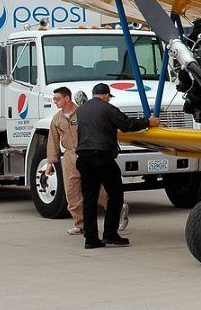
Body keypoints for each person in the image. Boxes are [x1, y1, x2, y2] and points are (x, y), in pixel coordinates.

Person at [76, 83, 159, 249]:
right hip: (102, 157)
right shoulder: (108, 108)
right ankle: (110, 234)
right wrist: (147, 122)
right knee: (115, 194)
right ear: (106, 95)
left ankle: (90, 238)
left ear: (93, 94)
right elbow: (127, 124)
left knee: (89, 199)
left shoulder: (81, 110)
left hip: (83, 158)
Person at [45, 87, 128, 235]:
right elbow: (53, 140)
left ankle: (118, 212)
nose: (54, 102)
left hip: (86, 152)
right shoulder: (57, 119)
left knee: (101, 190)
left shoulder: (82, 113)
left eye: (57, 98)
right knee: (71, 190)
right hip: (70, 156)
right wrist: (50, 162)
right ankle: (80, 223)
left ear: (67, 98)